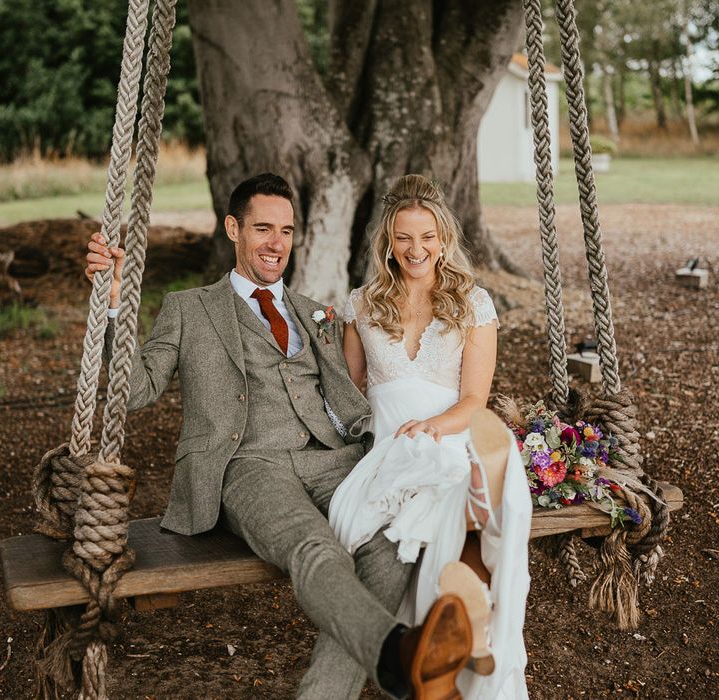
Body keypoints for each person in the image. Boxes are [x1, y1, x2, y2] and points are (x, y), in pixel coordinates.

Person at [84, 172, 476, 700]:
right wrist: (110, 304)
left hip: (331, 459)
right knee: (318, 549)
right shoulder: (189, 308)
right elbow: (135, 390)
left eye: (286, 231)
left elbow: (350, 395)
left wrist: (390, 444)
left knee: (390, 546)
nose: (276, 243)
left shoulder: (315, 312)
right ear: (232, 229)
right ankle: (398, 654)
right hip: (247, 466)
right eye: (263, 228)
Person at [329, 174, 533, 699]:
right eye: (404, 238)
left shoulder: (473, 304)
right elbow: (351, 394)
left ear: (443, 239)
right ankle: (464, 632)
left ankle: (455, 639)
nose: (416, 249)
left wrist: (431, 427)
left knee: (456, 484)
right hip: (387, 442)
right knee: (430, 500)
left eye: (427, 237)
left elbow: (473, 402)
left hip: (452, 430)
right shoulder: (362, 305)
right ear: (388, 243)